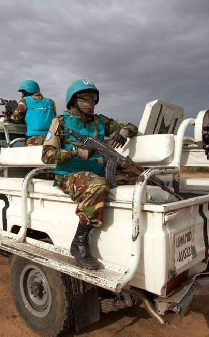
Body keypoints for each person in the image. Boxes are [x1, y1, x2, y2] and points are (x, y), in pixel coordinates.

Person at [41, 79, 137, 269]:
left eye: (94, 98)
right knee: (98, 186)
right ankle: (79, 242)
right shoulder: (60, 122)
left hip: (99, 170)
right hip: (69, 174)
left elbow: (132, 125)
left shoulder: (100, 121)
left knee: (140, 179)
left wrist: (125, 131)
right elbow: (47, 156)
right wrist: (76, 152)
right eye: (86, 97)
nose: (91, 102)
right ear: (74, 100)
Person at [9, 79, 57, 146]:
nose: (22, 95)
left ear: (27, 91)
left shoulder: (25, 101)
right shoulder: (51, 102)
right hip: (51, 139)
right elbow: (54, 117)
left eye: (23, 92)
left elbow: (15, 118)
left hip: (33, 140)